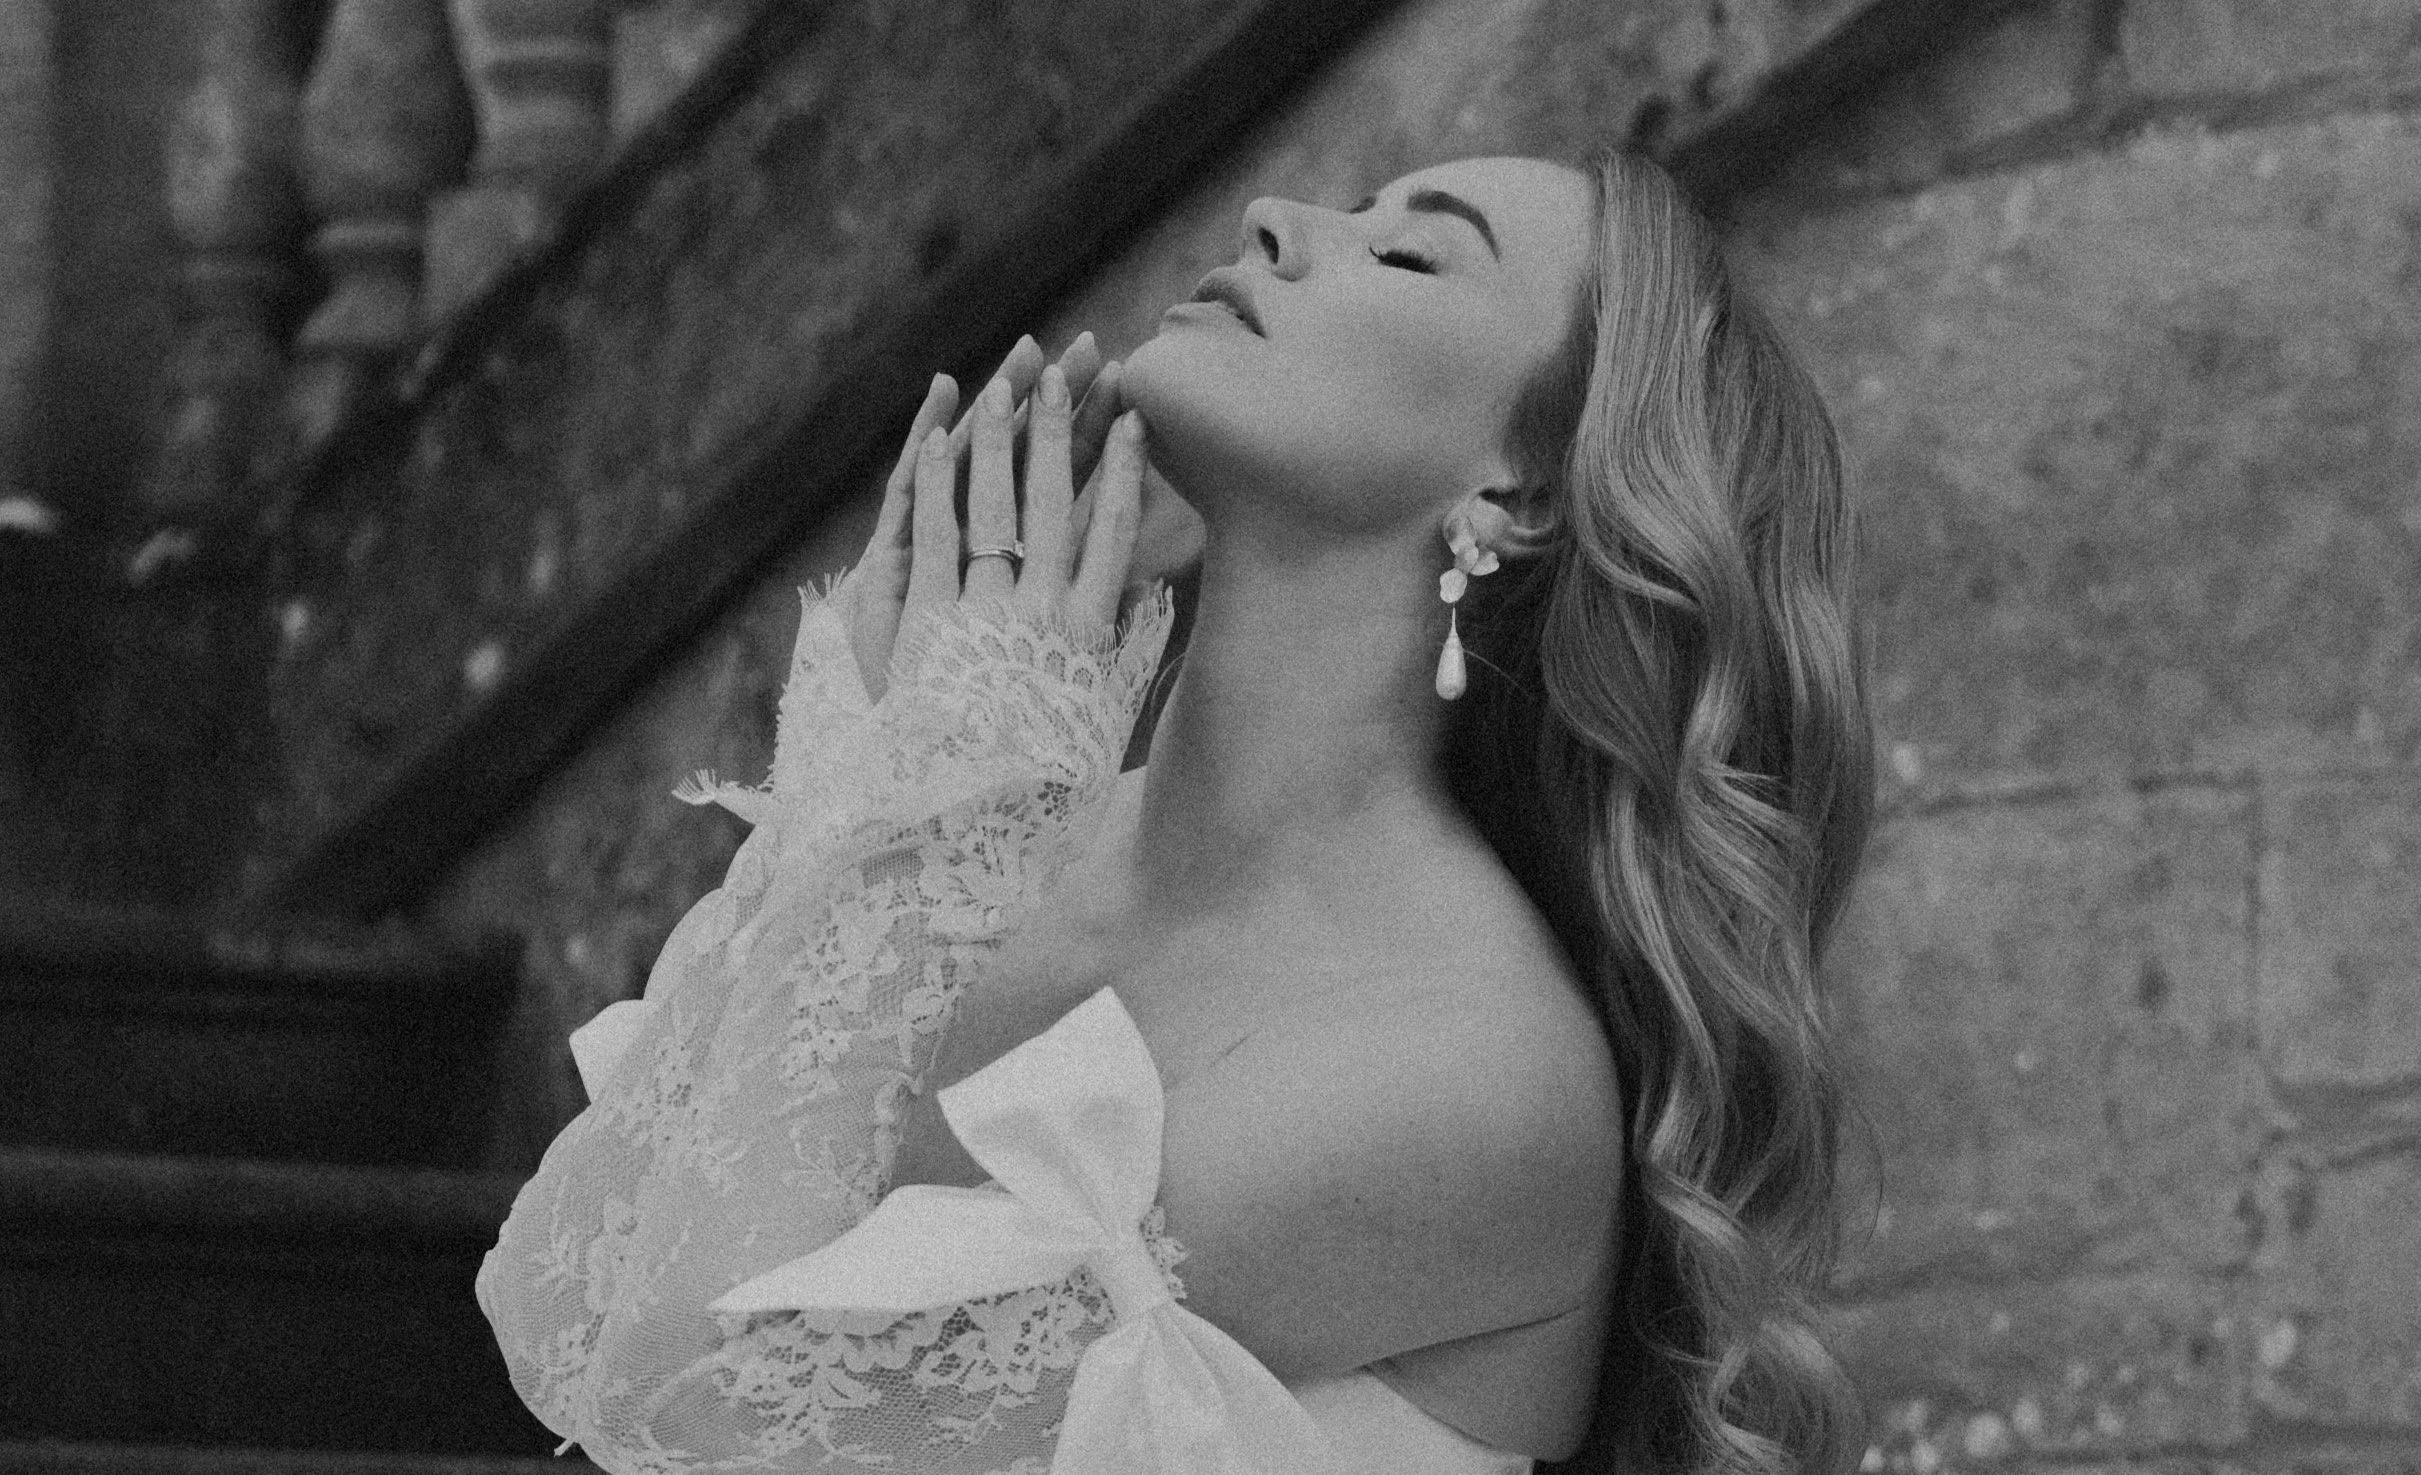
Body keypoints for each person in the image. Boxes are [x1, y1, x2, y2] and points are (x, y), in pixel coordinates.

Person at [477, 147, 1875, 1475]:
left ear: (1519, 493)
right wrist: (879, 779)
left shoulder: (1465, 1073)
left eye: (1408, 252)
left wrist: (902, 833)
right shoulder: (1011, 835)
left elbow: (684, 1415)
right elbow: (559, 1310)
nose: (1276, 217)